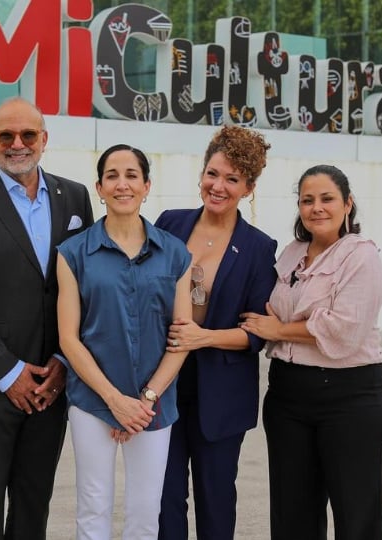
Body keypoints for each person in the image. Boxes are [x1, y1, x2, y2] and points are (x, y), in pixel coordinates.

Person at [0, 96, 94, 540]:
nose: (17, 143)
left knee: (33, 504)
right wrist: (8, 373)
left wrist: (65, 361)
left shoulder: (76, 196)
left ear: (44, 139)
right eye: (6, 135)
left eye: (28, 134)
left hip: (53, 381)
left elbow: (84, 286)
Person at [240, 164, 382, 540]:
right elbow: (270, 308)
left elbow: (345, 329)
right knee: (293, 518)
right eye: (307, 200)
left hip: (350, 398)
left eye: (327, 199)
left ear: (348, 204)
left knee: (358, 518)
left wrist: (280, 330)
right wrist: (288, 326)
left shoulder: (360, 255)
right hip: (288, 396)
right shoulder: (291, 254)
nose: (316, 208)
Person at [57, 144, 193, 540]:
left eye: (132, 175)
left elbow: (180, 339)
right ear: (99, 187)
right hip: (93, 401)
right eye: (112, 176)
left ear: (147, 186)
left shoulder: (175, 254)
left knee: (144, 511)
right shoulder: (73, 253)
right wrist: (115, 400)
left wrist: (146, 399)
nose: (122, 184)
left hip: (154, 405)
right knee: (93, 507)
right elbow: (69, 337)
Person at [155, 126, 277, 539]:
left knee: (215, 497)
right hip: (164, 387)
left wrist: (202, 337)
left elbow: (255, 333)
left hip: (221, 394)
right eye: (212, 173)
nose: (218, 186)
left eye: (231, 179)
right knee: (164, 497)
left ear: (249, 187)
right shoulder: (169, 223)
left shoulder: (260, 247)